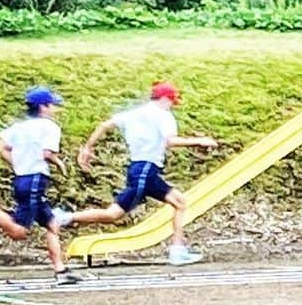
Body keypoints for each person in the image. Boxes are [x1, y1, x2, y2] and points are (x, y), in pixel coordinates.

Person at [68, 82, 218, 265]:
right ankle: (62, 218)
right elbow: (170, 141)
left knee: (180, 201)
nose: (172, 105)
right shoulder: (164, 116)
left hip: (141, 169)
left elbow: (104, 125)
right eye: (172, 101)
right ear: (165, 99)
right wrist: (199, 141)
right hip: (146, 170)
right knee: (113, 215)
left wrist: (87, 148)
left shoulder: (133, 114)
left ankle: (178, 251)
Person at [0, 86, 79, 284]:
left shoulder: (19, 127)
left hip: (24, 178)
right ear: (43, 107)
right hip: (35, 180)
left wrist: (17, 162)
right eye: (53, 105)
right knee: (19, 231)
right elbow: (47, 153)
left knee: (52, 224)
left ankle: (61, 270)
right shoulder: (50, 127)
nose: (56, 109)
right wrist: (60, 164)